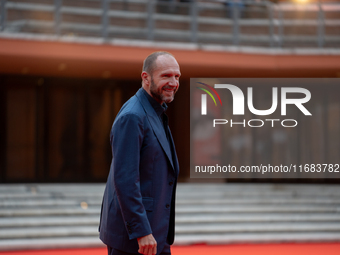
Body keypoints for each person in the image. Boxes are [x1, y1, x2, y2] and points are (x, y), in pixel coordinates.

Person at [99, 51, 181, 255]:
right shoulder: (133, 116)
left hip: (155, 234)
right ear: (146, 78)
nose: (173, 82)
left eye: (177, 76)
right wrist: (141, 231)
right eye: (166, 76)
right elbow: (125, 179)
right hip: (136, 239)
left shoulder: (155, 111)